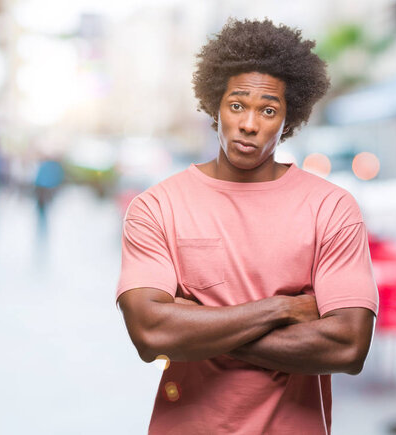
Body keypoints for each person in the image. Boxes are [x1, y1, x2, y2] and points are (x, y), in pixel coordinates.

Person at [116, 18, 378, 434]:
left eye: (268, 110)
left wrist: (196, 325)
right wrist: (285, 308)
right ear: (215, 105)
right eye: (237, 105)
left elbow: (348, 346)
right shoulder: (156, 206)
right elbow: (150, 333)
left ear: (288, 119)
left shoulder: (331, 208)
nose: (250, 124)